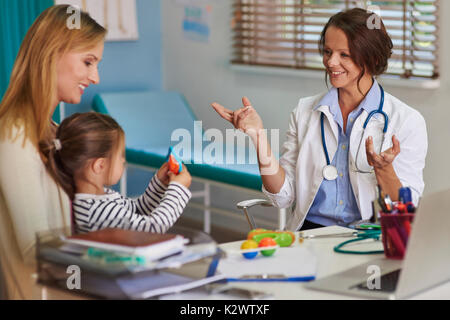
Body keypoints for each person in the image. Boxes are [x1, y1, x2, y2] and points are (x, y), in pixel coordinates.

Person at [211, 8, 427, 231]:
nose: (331, 62)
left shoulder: (406, 121)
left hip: (368, 238)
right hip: (310, 235)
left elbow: (409, 209)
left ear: (371, 57)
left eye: (344, 54)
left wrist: (384, 170)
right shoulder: (305, 111)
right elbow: (282, 198)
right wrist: (258, 137)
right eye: (327, 51)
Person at [0, 5, 99, 299]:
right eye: (88, 62)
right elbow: (36, 248)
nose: (95, 77)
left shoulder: (50, 129)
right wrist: (119, 260)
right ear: (53, 53)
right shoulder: (13, 135)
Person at [43, 112, 192, 234]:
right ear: (100, 165)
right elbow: (153, 228)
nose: (123, 161)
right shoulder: (96, 210)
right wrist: (178, 189)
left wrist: (160, 184)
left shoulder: (99, 199)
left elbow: (138, 211)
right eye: (120, 156)